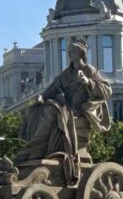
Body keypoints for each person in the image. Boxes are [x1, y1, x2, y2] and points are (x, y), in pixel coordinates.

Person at [18, 39, 112, 183]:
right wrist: (41, 96)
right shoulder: (66, 74)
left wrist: (87, 82)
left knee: (50, 111)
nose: (69, 54)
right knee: (36, 110)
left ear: (81, 53)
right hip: (65, 107)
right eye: (69, 51)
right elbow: (51, 89)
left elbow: (107, 90)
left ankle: (35, 149)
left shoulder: (89, 70)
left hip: (78, 111)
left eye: (72, 51)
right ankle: (34, 149)